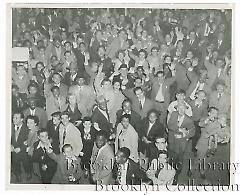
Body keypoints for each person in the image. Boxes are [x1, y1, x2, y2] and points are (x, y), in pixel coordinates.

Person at [167, 103, 195, 181]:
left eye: (183, 109)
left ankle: (176, 174)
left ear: (186, 109)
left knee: (179, 157)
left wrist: (183, 136)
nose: (181, 110)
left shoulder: (189, 120)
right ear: (177, 109)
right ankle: (169, 171)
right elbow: (169, 125)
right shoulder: (173, 114)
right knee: (171, 155)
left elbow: (192, 132)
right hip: (172, 139)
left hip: (181, 142)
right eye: (180, 108)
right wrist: (179, 129)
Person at [11, 112, 30, 182]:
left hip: (23, 150)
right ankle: (18, 174)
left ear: (22, 119)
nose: (14, 119)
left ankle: (28, 173)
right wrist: (9, 145)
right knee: (16, 163)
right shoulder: (10, 126)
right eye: (13, 117)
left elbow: (29, 140)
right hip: (13, 149)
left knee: (26, 163)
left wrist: (21, 148)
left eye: (16, 118)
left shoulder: (27, 128)